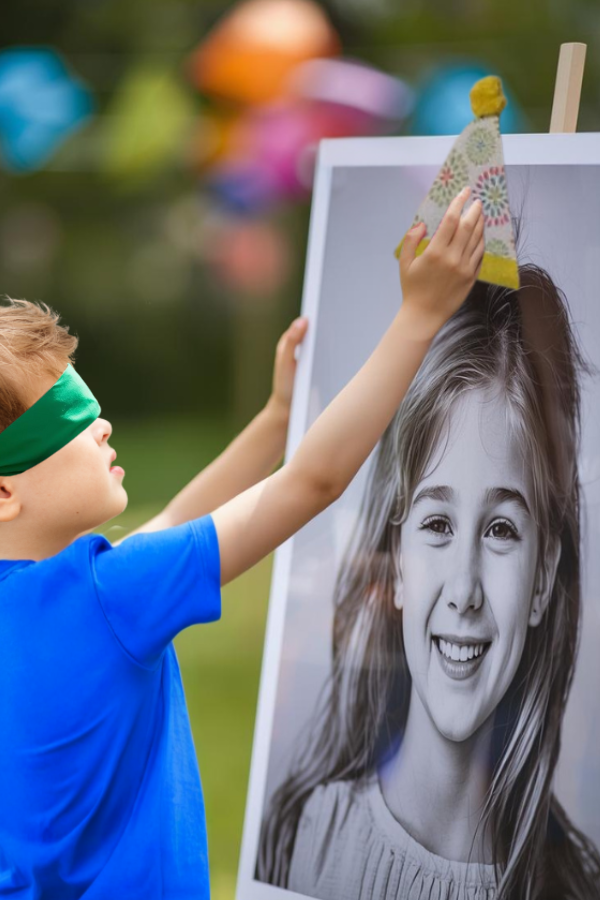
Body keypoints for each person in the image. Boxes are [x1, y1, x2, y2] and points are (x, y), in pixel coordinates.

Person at [0, 189, 484, 899]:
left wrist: (276, 419)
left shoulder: (74, 595)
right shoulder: (111, 597)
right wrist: (420, 315)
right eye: (69, 420)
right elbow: (312, 484)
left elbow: (171, 533)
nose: (100, 425)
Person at [258, 263, 600, 900]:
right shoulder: (303, 834)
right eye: (438, 523)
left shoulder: (575, 886)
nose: (465, 589)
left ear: (544, 578)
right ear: (395, 563)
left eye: (501, 530)